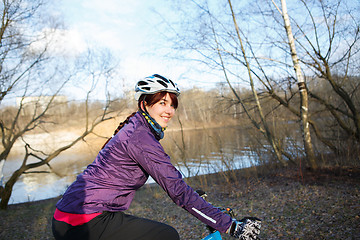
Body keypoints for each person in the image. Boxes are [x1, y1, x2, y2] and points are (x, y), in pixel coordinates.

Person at [52, 74, 261, 240]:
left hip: (72, 213)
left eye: (172, 104)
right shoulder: (140, 139)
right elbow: (178, 191)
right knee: (166, 235)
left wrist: (207, 208)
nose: (169, 110)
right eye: (162, 103)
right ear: (145, 105)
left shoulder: (135, 128)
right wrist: (231, 226)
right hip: (83, 220)